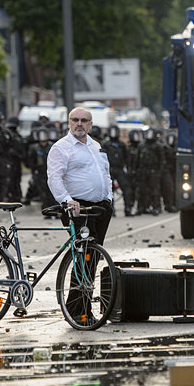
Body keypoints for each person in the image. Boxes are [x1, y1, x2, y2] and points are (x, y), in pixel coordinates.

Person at [47, 107, 113, 325]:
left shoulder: (96, 146)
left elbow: (106, 174)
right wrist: (67, 201)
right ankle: (79, 312)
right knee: (83, 259)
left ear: (90, 124)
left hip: (100, 207)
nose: (79, 124)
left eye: (84, 120)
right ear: (68, 122)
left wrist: (109, 198)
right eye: (75, 120)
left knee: (93, 257)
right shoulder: (61, 148)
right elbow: (54, 178)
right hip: (77, 208)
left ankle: (79, 307)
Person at [102, 125, 134, 217]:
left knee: (126, 189)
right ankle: (111, 210)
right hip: (109, 169)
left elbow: (127, 157)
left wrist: (128, 169)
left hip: (119, 169)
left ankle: (128, 209)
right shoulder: (106, 144)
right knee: (109, 190)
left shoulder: (122, 145)